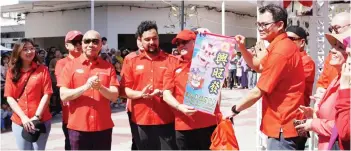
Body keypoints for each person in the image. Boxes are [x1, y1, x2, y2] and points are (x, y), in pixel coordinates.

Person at [230, 4, 306, 150]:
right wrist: (242, 48)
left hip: (283, 124)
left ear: (280, 25)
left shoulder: (281, 51)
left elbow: (258, 91)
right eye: (258, 24)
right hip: (282, 123)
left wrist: (234, 110)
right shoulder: (277, 46)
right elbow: (258, 66)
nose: (260, 28)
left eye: (264, 24)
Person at [120, 20, 177, 150]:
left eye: (155, 38)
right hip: (140, 120)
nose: (152, 42)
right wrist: (141, 94)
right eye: (147, 39)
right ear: (140, 40)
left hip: (166, 119)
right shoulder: (131, 60)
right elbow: (123, 90)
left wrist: (166, 93)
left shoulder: (171, 60)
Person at [58, 30, 119, 150]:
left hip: (103, 126)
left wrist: (100, 87)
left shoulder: (108, 67)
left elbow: (114, 96)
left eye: (95, 41)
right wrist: (86, 87)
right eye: (87, 41)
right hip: (78, 127)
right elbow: (63, 95)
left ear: (101, 45)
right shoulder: (70, 66)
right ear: (82, 44)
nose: (91, 44)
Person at [163, 29, 219, 150]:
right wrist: (179, 107)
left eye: (184, 42)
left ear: (195, 42)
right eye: (177, 43)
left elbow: (225, 53)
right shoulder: (173, 63)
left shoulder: (208, 60)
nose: (180, 45)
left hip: (208, 123)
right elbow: (166, 94)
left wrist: (208, 36)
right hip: (184, 125)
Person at [297, 29, 351, 150]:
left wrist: (313, 124)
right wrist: (314, 114)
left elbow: (343, 129)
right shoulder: (337, 79)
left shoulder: (346, 84)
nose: (332, 50)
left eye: (340, 47)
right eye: (334, 46)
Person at [4, 38, 53, 150]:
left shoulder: (42, 70)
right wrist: (24, 118)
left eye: (32, 48)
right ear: (18, 52)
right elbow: (10, 97)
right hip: (19, 121)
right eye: (25, 49)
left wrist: (36, 117)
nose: (30, 52)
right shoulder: (12, 72)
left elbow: (47, 94)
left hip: (41, 120)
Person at [314, 12, 351, 109]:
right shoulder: (332, 56)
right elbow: (323, 81)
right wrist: (321, 93)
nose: (333, 32)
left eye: (336, 28)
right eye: (331, 29)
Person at [54, 30, 83, 150]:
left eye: (80, 42)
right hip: (70, 115)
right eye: (74, 42)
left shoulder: (89, 61)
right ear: (66, 45)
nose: (78, 45)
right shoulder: (62, 63)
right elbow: (65, 88)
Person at [286, 26, 316, 107]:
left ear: (302, 42)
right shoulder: (287, 58)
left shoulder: (307, 62)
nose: (286, 42)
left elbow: (288, 83)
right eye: (284, 39)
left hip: (297, 111)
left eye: (290, 39)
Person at [49, 49, 62, 116]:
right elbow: (50, 68)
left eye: (58, 52)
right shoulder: (52, 60)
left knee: (61, 94)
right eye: (56, 53)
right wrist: (57, 69)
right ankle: (54, 108)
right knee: (54, 94)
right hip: (54, 80)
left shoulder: (63, 60)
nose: (57, 54)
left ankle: (60, 108)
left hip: (62, 80)